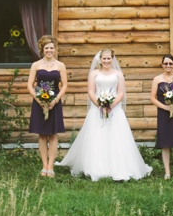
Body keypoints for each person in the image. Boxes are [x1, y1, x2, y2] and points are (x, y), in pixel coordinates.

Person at [56, 49, 152, 181]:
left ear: (113, 59)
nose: (106, 61)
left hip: (115, 110)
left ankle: (118, 167)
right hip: (97, 109)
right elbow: (90, 91)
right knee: (97, 136)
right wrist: (100, 105)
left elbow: (121, 93)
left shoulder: (118, 74)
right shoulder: (94, 74)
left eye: (109, 58)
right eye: (104, 59)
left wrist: (111, 105)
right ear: (100, 60)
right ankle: (95, 167)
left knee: (116, 137)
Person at [27, 35, 67, 178]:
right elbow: (30, 85)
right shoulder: (36, 65)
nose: (49, 50)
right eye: (46, 48)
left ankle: (51, 166)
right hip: (39, 102)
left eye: (51, 48)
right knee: (43, 134)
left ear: (55, 49)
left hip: (54, 102)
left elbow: (64, 85)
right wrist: (39, 99)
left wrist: (55, 100)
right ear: (42, 49)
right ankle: (44, 165)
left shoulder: (60, 65)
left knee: (53, 134)